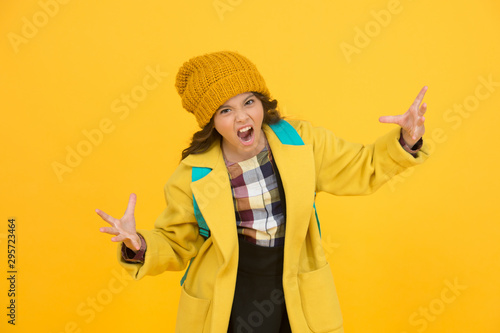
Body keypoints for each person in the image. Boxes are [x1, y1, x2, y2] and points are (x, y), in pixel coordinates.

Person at [96, 51, 430, 333]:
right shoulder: (192, 175)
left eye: (249, 102)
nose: (242, 117)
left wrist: (406, 141)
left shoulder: (302, 142)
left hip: (292, 281)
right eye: (225, 110)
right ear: (211, 122)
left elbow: (361, 167)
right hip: (232, 290)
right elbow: (176, 241)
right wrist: (138, 244)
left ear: (263, 103)